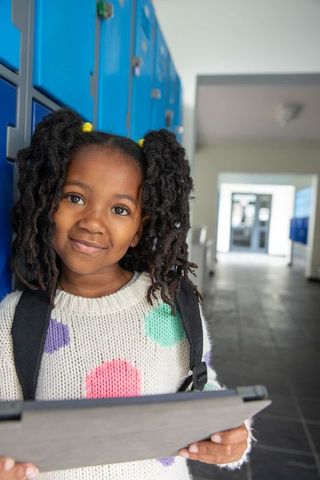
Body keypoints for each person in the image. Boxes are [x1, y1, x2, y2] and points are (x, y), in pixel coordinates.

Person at [0, 109, 251, 479]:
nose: (93, 222)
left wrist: (232, 436)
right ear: (47, 203)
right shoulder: (16, 317)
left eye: (120, 209)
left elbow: (202, 386)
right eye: (74, 198)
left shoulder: (171, 303)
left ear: (137, 230)